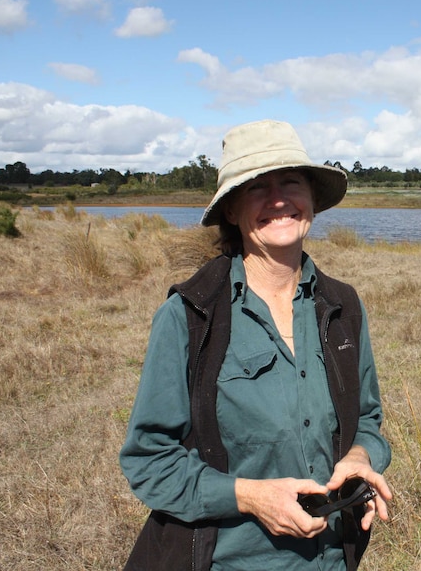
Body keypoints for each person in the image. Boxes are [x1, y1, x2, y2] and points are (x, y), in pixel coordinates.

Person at [120, 120, 392, 571]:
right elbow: (149, 459)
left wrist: (361, 457)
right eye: (257, 188)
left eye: (291, 182)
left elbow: (367, 418)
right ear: (230, 210)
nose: (279, 199)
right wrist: (249, 497)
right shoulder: (189, 316)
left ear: (312, 200)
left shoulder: (342, 306)